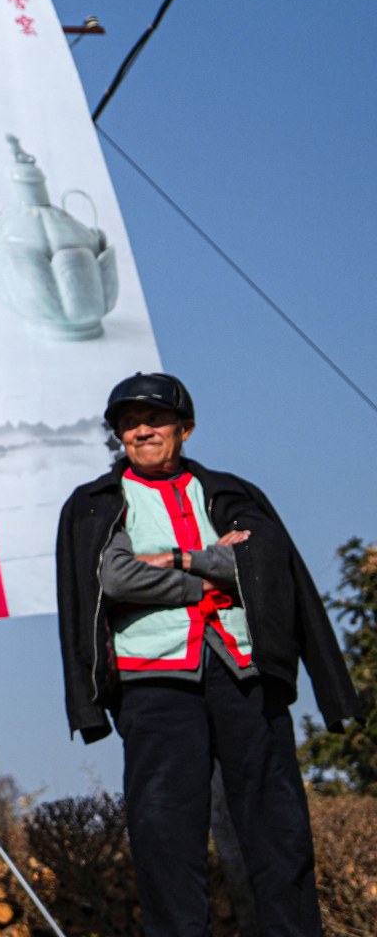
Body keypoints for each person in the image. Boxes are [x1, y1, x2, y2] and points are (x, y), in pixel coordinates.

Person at [54, 372, 364, 937]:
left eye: (155, 420)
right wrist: (209, 571)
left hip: (244, 671)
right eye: (129, 423)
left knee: (279, 829)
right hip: (153, 682)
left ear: (185, 429)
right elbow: (114, 578)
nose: (142, 430)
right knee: (164, 836)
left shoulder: (231, 494)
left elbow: (262, 566)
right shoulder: (97, 505)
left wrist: (171, 561)